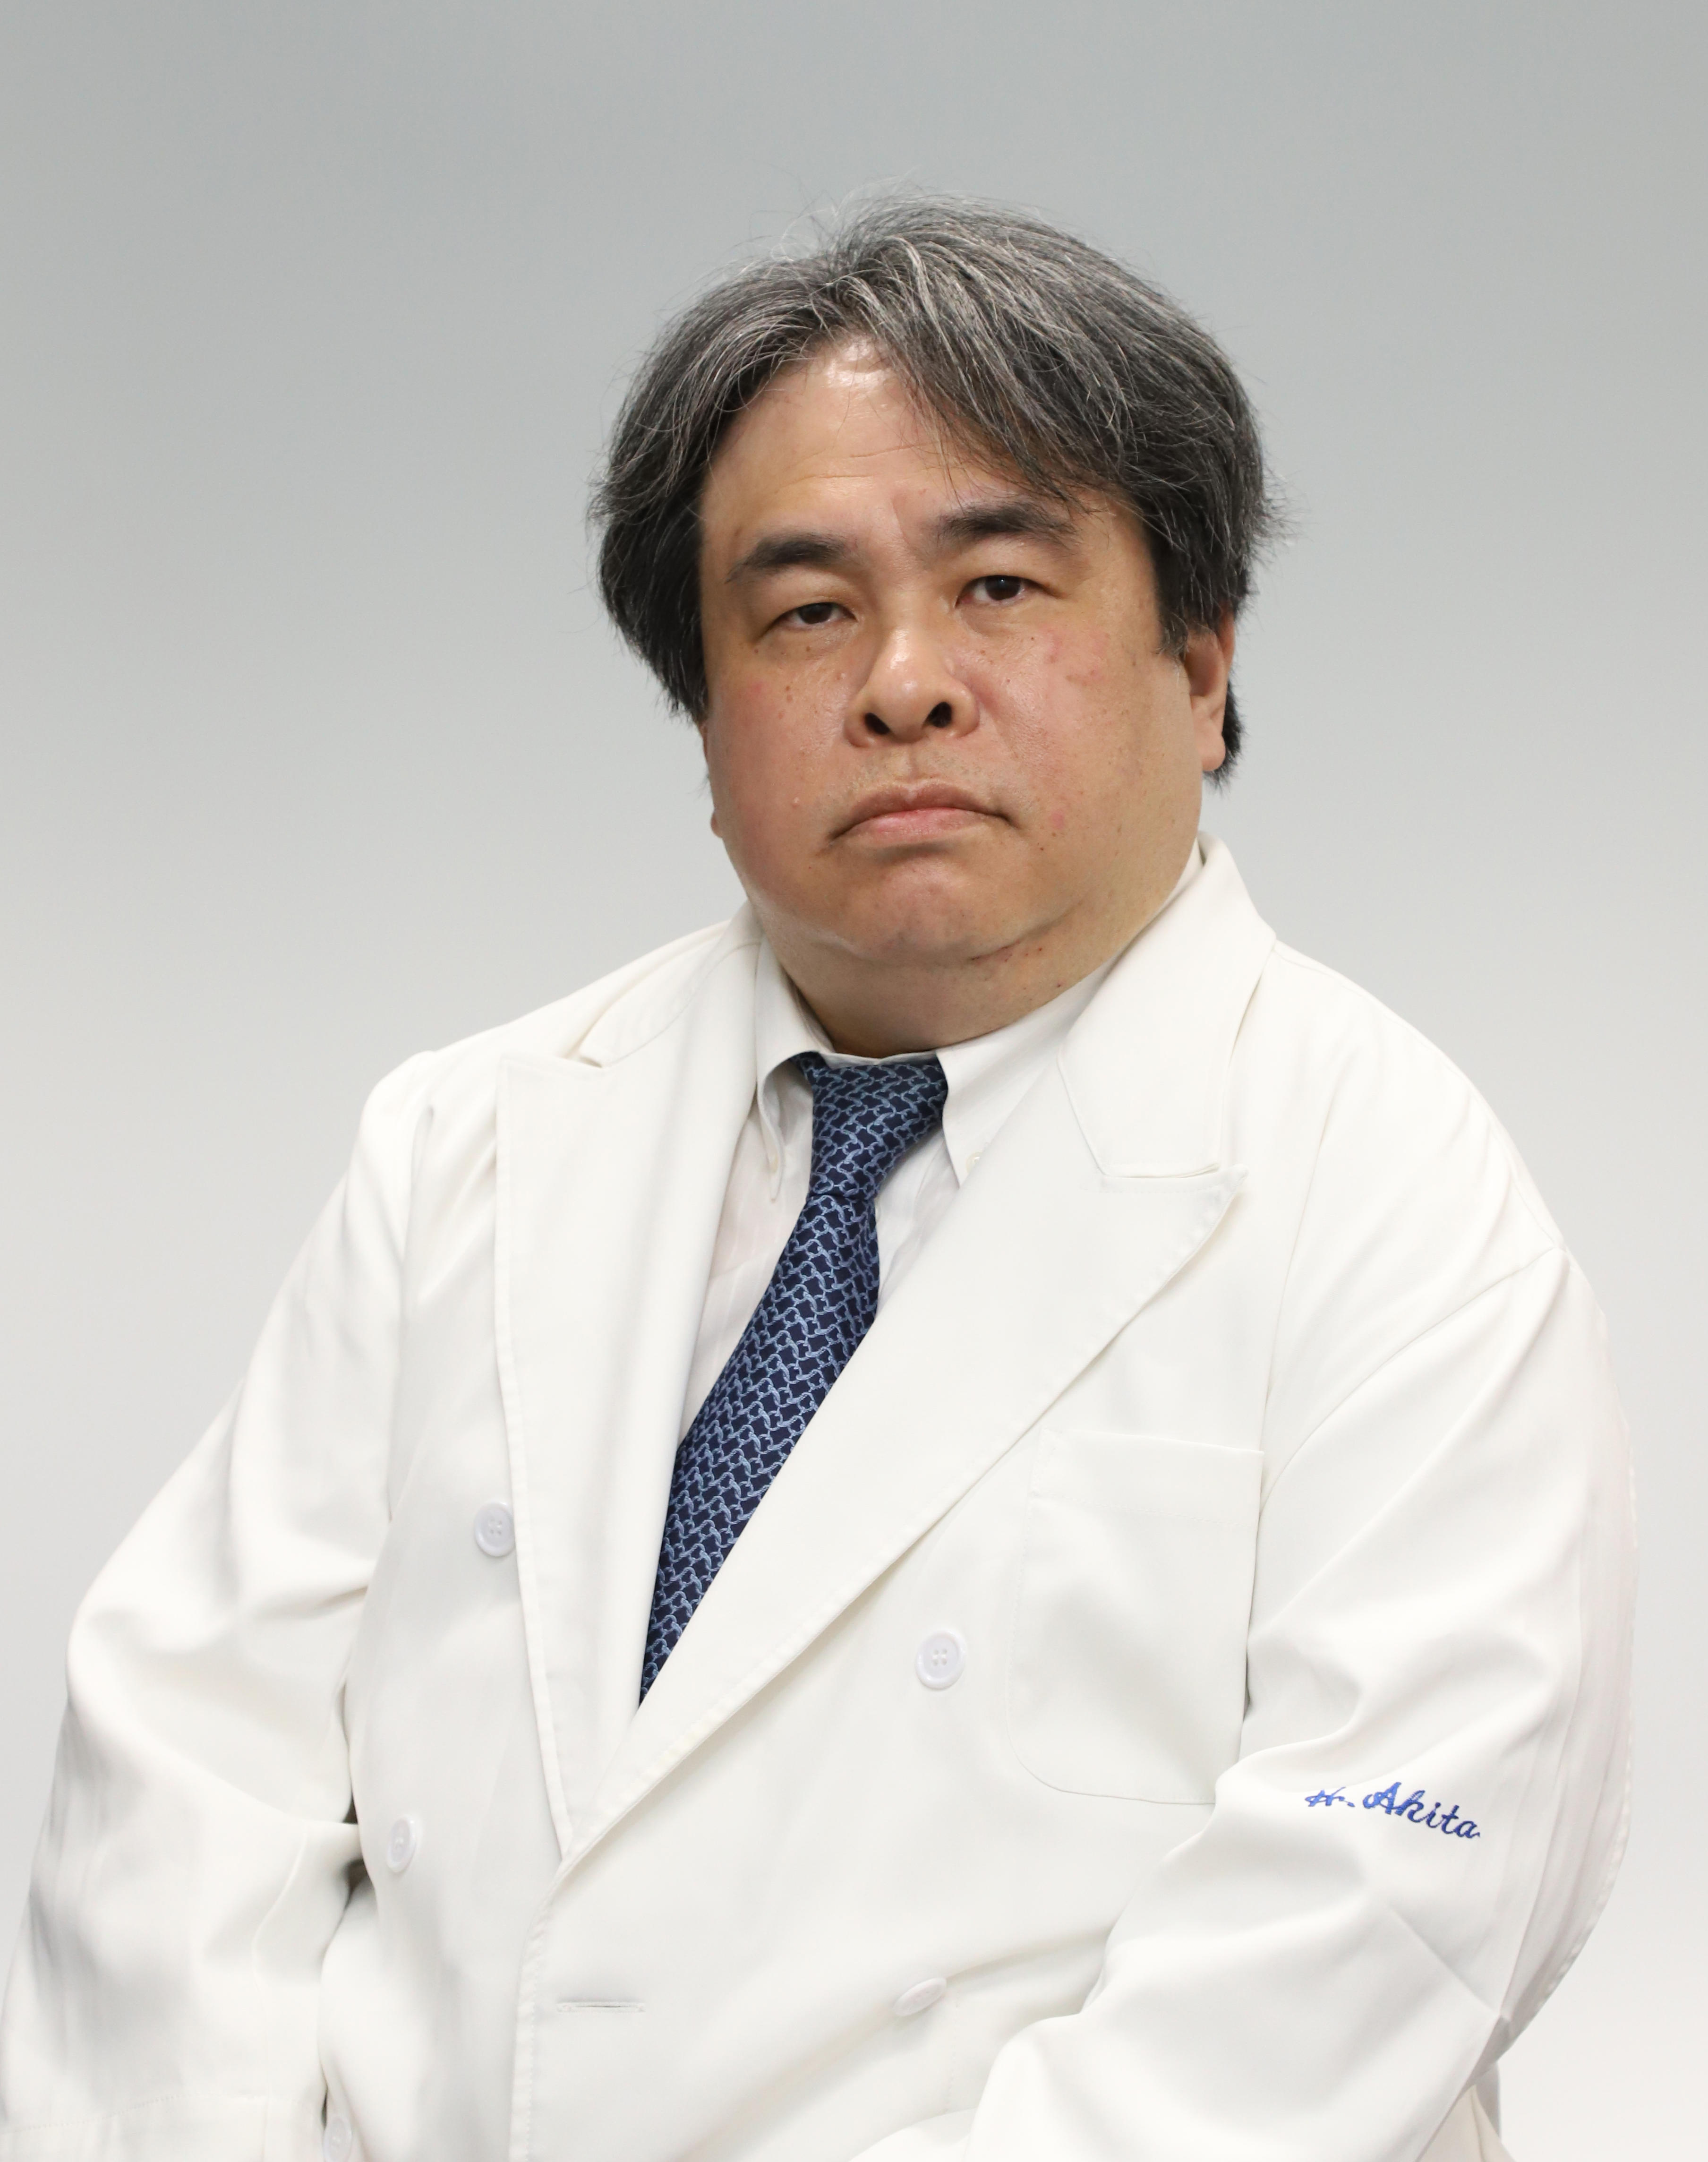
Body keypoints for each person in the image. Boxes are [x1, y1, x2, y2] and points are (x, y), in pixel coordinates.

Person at [0, 199, 1632, 2162]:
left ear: (1202, 666)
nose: (904, 683)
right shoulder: (470, 1142)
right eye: (804, 613)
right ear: (702, 724)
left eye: (1001, 584)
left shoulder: (1396, 1206)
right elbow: (185, 1785)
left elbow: (1362, 1934)